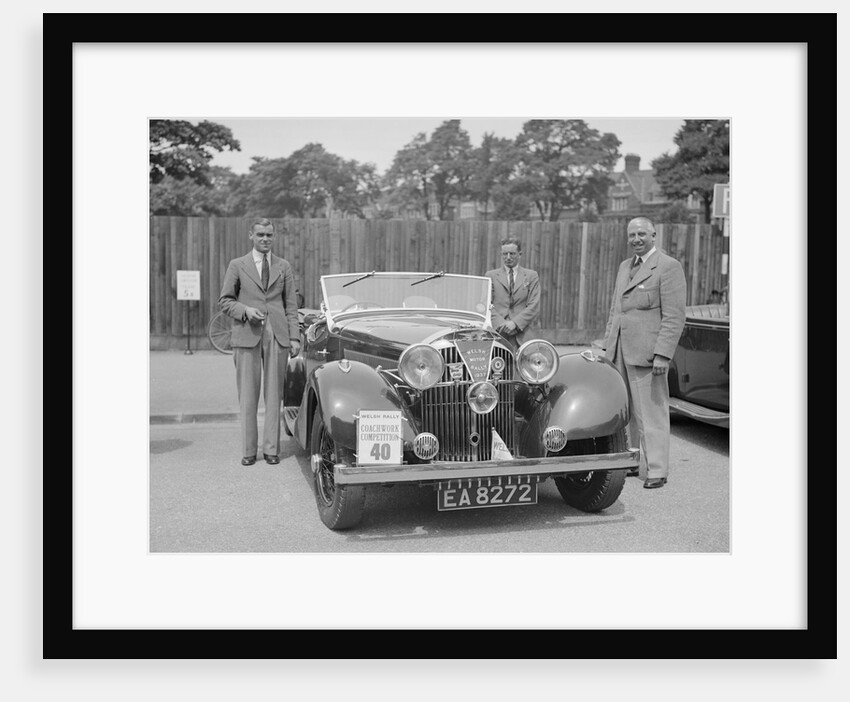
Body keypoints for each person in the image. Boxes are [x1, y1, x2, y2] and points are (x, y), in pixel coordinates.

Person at [602, 217, 686, 489]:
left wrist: (663, 354)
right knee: (625, 413)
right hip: (619, 352)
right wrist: (607, 347)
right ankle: (633, 462)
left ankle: (657, 470)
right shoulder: (625, 266)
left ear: (653, 235)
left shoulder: (668, 267)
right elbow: (616, 311)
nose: (636, 239)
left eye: (641, 234)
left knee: (651, 414)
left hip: (648, 355)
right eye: (632, 235)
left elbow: (674, 317)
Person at [219, 218, 301, 466]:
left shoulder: (283, 266)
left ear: (273, 237)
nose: (265, 239)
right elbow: (225, 301)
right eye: (261, 235)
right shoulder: (237, 265)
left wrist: (295, 336)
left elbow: (290, 305)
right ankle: (248, 451)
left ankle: (271, 450)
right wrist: (245, 311)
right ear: (251, 236)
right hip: (247, 333)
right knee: (248, 396)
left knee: (274, 395)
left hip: (277, 335)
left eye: (269, 235)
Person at [485, 237, 541, 349]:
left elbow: (534, 305)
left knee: (525, 365)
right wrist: (502, 324)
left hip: (524, 333)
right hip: (498, 333)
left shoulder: (531, 276)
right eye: (505, 254)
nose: (508, 257)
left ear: (520, 254)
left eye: (512, 254)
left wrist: (514, 323)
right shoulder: (490, 276)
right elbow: (486, 304)